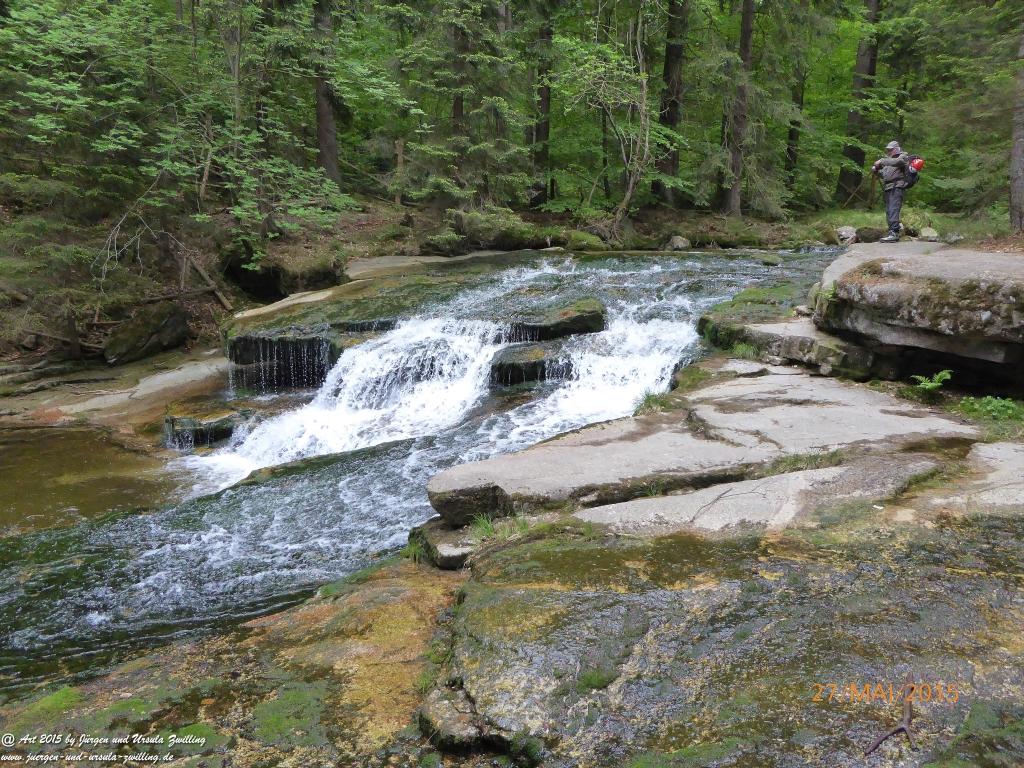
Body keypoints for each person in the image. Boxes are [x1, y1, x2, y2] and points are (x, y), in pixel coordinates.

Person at [872, 140, 910, 243]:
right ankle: (891, 232)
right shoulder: (889, 161)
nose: (889, 152)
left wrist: (882, 161)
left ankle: (894, 233)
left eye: (890, 150)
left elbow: (899, 162)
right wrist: (876, 171)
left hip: (897, 187)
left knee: (893, 209)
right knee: (889, 211)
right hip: (888, 188)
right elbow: (884, 176)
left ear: (896, 149)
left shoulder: (903, 156)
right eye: (888, 150)